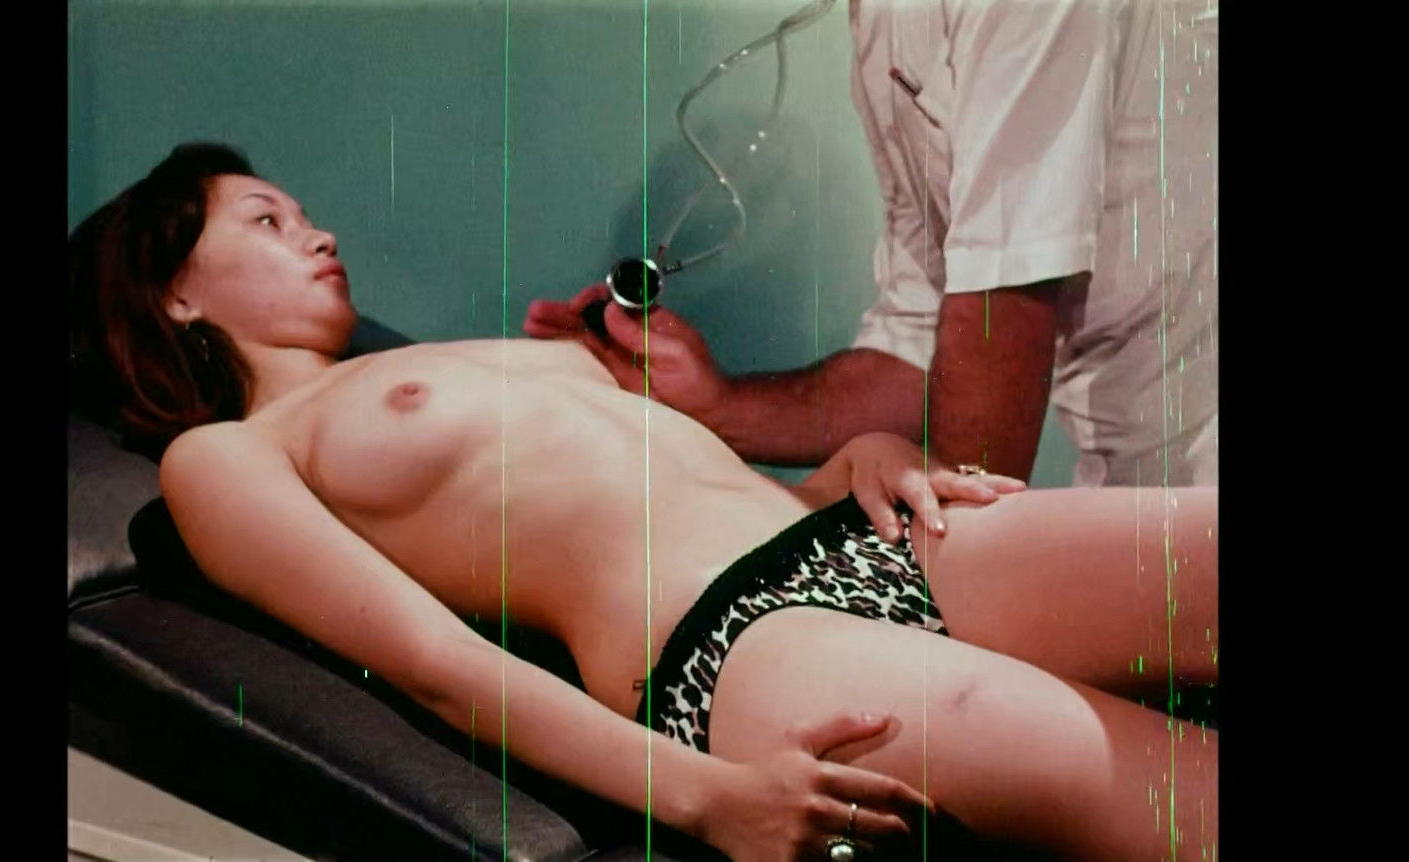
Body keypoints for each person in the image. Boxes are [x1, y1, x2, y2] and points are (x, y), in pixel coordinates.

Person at [70, 143, 1218, 862]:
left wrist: (853, 458)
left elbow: (688, 480)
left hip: (850, 530)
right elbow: (437, 664)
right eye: (265, 221)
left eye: (301, 211)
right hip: (740, 640)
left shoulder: (463, 353)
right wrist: (710, 800)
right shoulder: (225, 457)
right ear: (174, 293)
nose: (316, 232)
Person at [525, 0, 1218, 489]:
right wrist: (717, 405)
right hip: (1140, 496)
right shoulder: (885, 21)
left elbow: (996, 353)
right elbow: (923, 340)